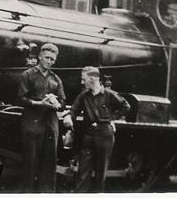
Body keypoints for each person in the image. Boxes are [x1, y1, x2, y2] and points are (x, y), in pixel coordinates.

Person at [63, 66, 131, 192]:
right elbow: (74, 109)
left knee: (101, 173)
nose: (82, 82)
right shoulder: (83, 96)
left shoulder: (110, 95)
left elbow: (125, 106)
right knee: (83, 172)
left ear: (93, 79)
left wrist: (111, 118)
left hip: (105, 135)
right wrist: (68, 116)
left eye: (84, 80)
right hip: (88, 135)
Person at [17, 43, 66, 192]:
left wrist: (57, 104)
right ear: (40, 57)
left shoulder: (56, 79)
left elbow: (63, 102)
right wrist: (40, 103)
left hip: (50, 124)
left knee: (49, 161)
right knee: (30, 160)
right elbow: (20, 99)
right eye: (47, 58)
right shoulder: (28, 75)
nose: (50, 61)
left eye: (52, 59)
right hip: (32, 122)